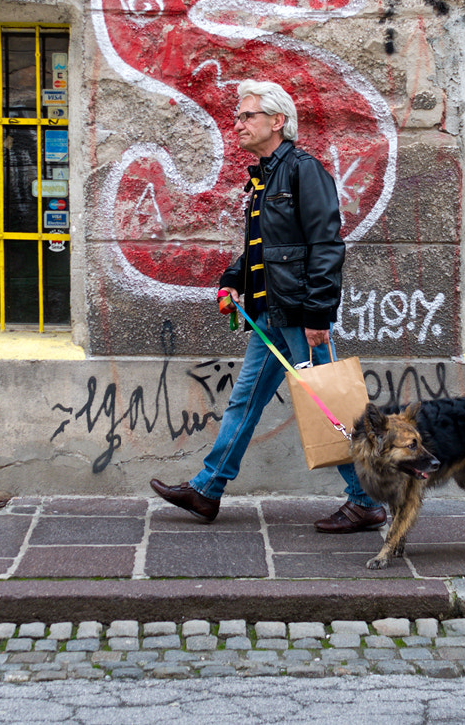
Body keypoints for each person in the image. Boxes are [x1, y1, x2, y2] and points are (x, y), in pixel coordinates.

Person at [150, 80, 387, 534]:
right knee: (245, 403)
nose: (237, 123)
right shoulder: (264, 177)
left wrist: (319, 314)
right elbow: (264, 250)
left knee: (325, 404)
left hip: (300, 314)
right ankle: (207, 489)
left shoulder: (303, 170)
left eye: (247, 116)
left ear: (277, 122)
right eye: (238, 116)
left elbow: (325, 245)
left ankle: (365, 501)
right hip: (269, 313)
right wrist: (231, 280)